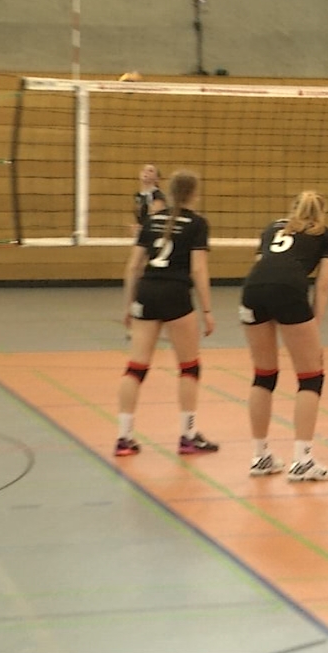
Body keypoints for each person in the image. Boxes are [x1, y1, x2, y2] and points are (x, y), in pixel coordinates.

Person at [114, 169, 218, 457]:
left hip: (146, 292)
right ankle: (188, 437)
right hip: (176, 294)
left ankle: (124, 438)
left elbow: (133, 266)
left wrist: (128, 306)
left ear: (170, 192)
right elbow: (198, 269)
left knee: (136, 367)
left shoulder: (151, 220)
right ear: (195, 194)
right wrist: (207, 310)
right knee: (189, 367)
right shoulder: (197, 223)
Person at [241, 191, 328, 482]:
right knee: (311, 376)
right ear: (321, 212)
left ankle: (260, 456)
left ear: (294, 209)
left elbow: (262, 264)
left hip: (252, 289)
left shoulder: (272, 228)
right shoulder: (324, 234)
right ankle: (303, 460)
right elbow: (322, 285)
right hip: (288, 290)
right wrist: (314, 324)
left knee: (263, 374)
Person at [131, 164, 167, 237]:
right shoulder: (138, 196)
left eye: (150, 171)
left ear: (157, 179)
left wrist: (143, 229)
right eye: (143, 170)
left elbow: (156, 219)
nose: (146, 172)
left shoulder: (157, 196)